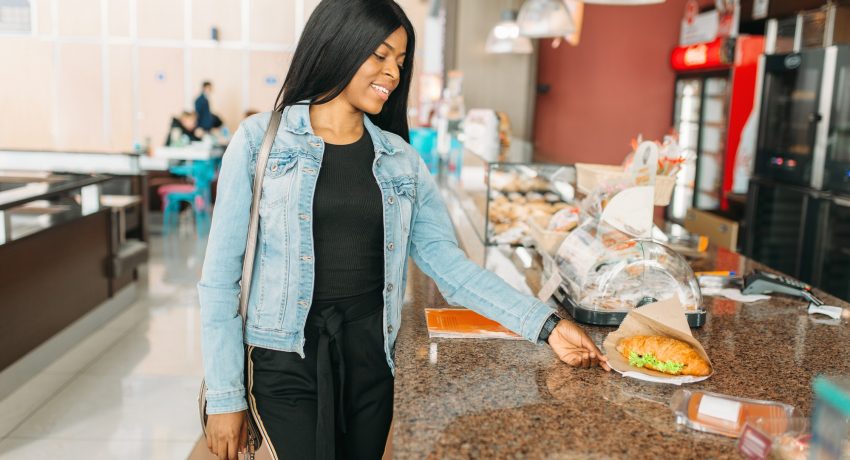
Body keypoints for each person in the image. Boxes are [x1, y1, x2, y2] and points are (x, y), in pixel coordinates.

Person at [199, 1, 610, 459]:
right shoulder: (260, 140)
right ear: (337, 45)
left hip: (371, 358)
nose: (392, 73)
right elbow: (220, 277)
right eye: (379, 54)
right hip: (281, 360)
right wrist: (225, 395)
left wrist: (547, 325)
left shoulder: (400, 160)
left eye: (400, 60)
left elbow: (450, 267)